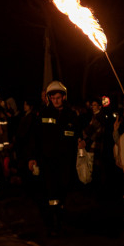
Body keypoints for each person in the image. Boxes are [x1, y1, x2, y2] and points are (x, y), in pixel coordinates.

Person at [28, 81, 81, 236]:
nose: (56, 100)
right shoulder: (42, 114)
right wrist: (32, 158)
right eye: (53, 98)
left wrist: (82, 142)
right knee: (51, 192)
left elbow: (77, 134)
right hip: (48, 160)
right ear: (49, 98)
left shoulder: (71, 115)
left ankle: (59, 215)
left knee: (63, 190)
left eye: (59, 97)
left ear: (64, 97)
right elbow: (34, 138)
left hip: (66, 161)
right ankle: (53, 223)